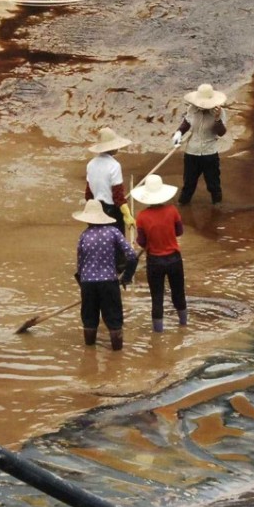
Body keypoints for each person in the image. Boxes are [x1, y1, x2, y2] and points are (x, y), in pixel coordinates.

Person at [74, 199, 139, 350]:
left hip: (88, 283)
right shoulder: (113, 232)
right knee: (114, 319)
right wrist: (126, 277)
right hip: (109, 282)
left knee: (89, 320)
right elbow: (132, 256)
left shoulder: (83, 236)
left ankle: (89, 355)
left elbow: (80, 265)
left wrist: (83, 287)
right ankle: (117, 356)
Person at [131, 174, 187, 332]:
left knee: (157, 299)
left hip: (154, 261)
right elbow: (179, 231)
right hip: (174, 259)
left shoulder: (142, 217)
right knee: (179, 294)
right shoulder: (172, 211)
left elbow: (141, 242)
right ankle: (183, 325)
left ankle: (158, 333)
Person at [173, 83, 228, 205]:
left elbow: (221, 132)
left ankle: (217, 203)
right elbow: (187, 122)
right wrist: (179, 133)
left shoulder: (220, 112)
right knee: (189, 182)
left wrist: (218, 119)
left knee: (213, 182)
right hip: (192, 151)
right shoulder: (192, 109)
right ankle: (183, 203)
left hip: (209, 152)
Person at [85, 127, 134, 235]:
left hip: (96, 208)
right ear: (111, 148)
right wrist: (128, 215)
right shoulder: (114, 166)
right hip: (112, 211)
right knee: (116, 244)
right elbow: (118, 197)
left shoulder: (90, 164)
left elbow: (88, 194)